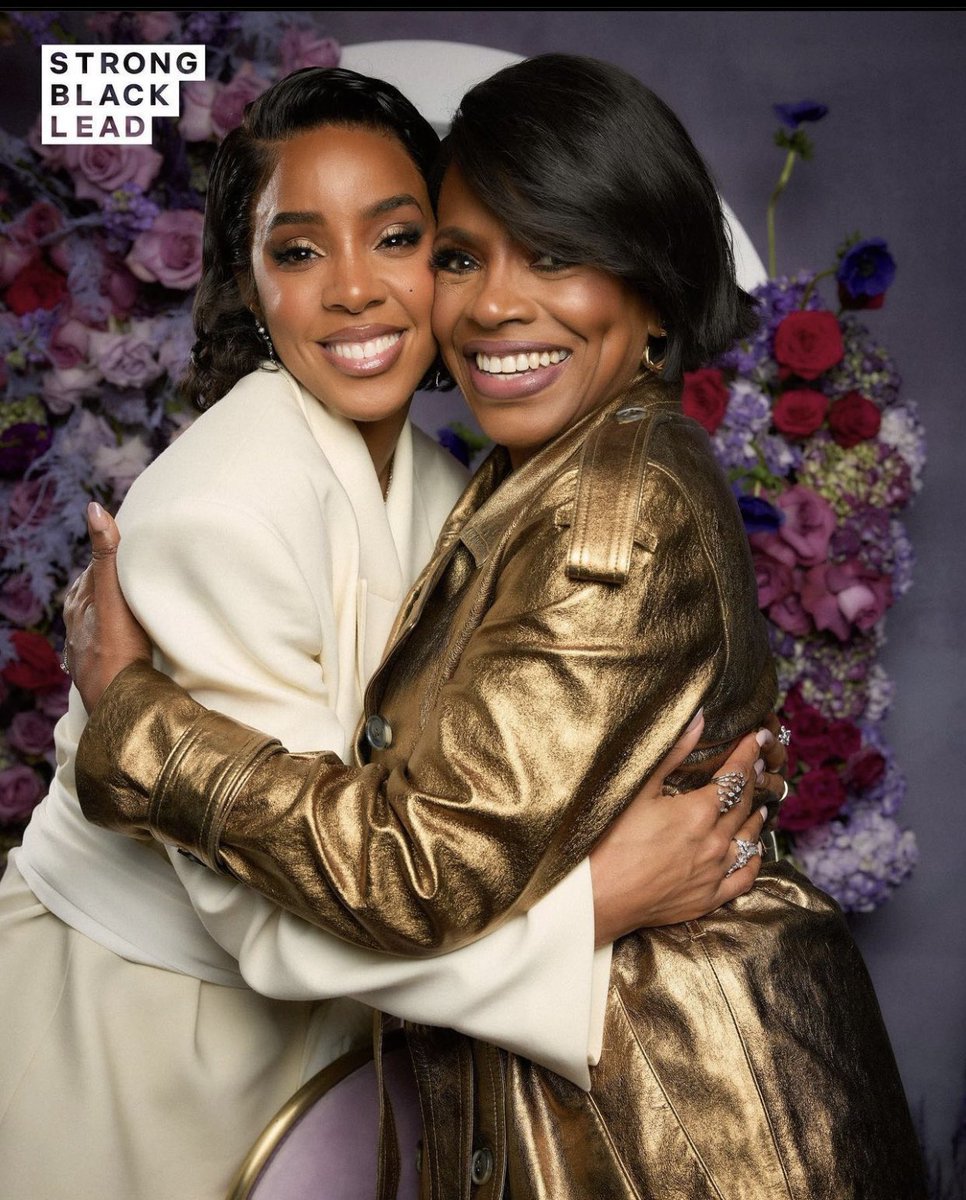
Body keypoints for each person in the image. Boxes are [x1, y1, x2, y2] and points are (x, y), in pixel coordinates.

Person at [68, 53, 926, 1198]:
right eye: (464, 256)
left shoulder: (605, 517)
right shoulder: (536, 475)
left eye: (557, 253)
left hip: (686, 1116)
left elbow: (420, 868)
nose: (491, 304)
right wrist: (601, 888)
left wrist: (137, 726)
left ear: (653, 287)